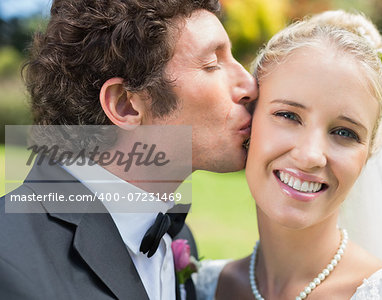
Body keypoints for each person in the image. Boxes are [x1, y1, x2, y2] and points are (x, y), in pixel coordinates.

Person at [0, 0, 257, 299]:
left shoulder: (177, 239)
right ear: (124, 104)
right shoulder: (7, 257)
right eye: (212, 64)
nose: (249, 84)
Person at [193, 10, 382, 299]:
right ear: (249, 121)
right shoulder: (201, 287)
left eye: (344, 133)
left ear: (370, 151)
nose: (310, 155)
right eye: (288, 115)